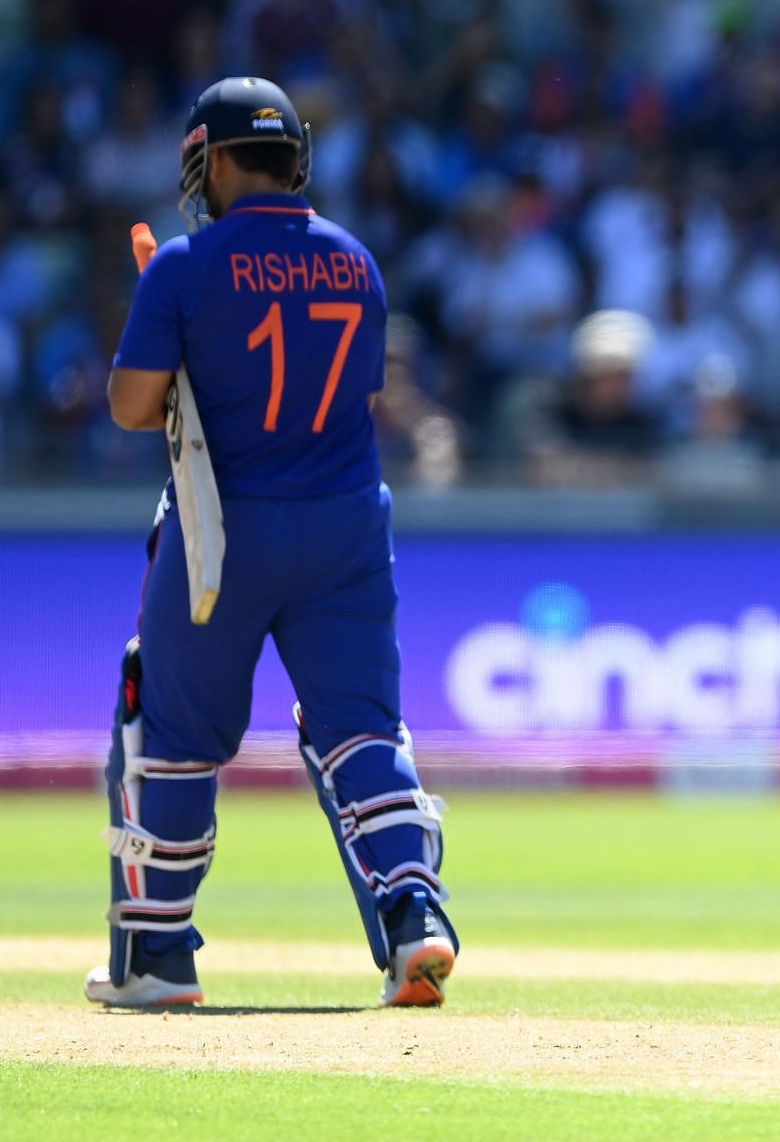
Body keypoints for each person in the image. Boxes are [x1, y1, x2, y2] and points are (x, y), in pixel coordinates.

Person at [90, 76, 459, 1008]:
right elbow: (350, 398)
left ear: (209, 160)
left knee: (169, 729)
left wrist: (175, 337)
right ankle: (414, 917)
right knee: (363, 727)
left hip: (224, 526)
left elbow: (134, 408)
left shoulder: (184, 264)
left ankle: (160, 958)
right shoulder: (356, 261)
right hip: (345, 524)